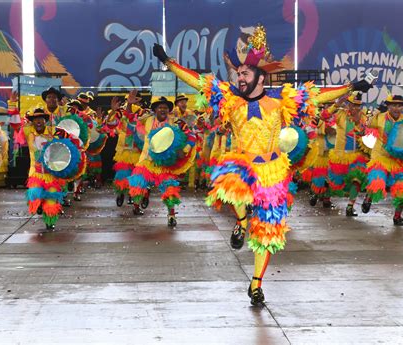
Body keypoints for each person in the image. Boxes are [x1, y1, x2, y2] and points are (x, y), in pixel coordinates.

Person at [153, 24, 371, 306]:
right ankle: (241, 222)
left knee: (268, 231)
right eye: (238, 73)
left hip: (272, 169)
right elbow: (198, 82)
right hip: (242, 162)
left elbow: (317, 95)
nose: (239, 77)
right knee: (229, 179)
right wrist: (168, 62)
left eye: (244, 73)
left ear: (259, 76)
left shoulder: (281, 99)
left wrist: (351, 87)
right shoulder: (229, 97)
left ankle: (256, 284)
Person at [127, 96, 196, 226]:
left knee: (170, 188)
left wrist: (185, 149)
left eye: (165, 107)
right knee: (137, 183)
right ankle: (136, 207)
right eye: (160, 107)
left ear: (168, 110)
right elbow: (130, 120)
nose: (163, 110)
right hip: (146, 160)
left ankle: (171, 215)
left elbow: (191, 135)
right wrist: (129, 105)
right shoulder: (146, 119)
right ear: (155, 110)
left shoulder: (176, 122)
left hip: (165, 163)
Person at [362, 95, 403, 225]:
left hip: (398, 160)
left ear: (402, 107)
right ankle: (368, 197)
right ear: (388, 106)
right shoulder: (380, 117)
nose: (396, 108)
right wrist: (375, 112)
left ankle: (397, 217)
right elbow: (367, 124)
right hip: (380, 157)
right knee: (377, 183)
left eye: (399, 105)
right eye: (393, 105)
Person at [327, 92, 370, 216]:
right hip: (340, 156)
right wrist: (336, 104)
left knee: (357, 180)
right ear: (348, 104)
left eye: (358, 105)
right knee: (336, 183)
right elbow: (324, 116)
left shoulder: (363, 117)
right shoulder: (340, 114)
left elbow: (364, 133)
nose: (355, 108)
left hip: (356, 156)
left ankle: (350, 206)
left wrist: (360, 127)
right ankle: (323, 190)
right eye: (353, 105)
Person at [25, 107, 66, 230]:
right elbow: (16, 125)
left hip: (51, 173)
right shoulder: (29, 133)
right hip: (36, 173)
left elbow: (62, 145)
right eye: (35, 119)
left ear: (45, 121)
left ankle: (50, 220)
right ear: (32, 122)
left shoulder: (53, 133)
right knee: (35, 194)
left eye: (41, 119)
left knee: (52, 199)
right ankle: (38, 205)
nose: (38, 121)